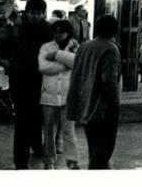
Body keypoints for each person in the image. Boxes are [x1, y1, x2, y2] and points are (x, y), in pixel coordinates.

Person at [0, 0, 52, 168]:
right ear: (26, 12)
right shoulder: (15, 28)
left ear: (44, 13)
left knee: (37, 116)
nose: (36, 16)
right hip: (21, 79)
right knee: (23, 119)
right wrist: (3, 62)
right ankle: (21, 161)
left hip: (42, 79)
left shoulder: (49, 29)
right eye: (33, 13)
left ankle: (36, 146)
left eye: (39, 13)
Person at [66, 14, 120, 170]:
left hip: (85, 104)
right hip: (102, 108)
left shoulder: (84, 46)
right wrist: (114, 104)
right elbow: (109, 81)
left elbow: (77, 73)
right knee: (102, 153)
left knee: (94, 149)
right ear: (115, 31)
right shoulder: (111, 49)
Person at [38, 19, 80, 170]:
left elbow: (77, 63)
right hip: (48, 95)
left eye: (60, 32)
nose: (56, 35)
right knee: (48, 130)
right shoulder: (45, 47)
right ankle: (49, 161)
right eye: (54, 31)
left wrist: (57, 55)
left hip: (68, 95)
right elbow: (43, 67)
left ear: (68, 33)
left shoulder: (76, 47)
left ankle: (73, 160)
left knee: (69, 131)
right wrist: (65, 64)